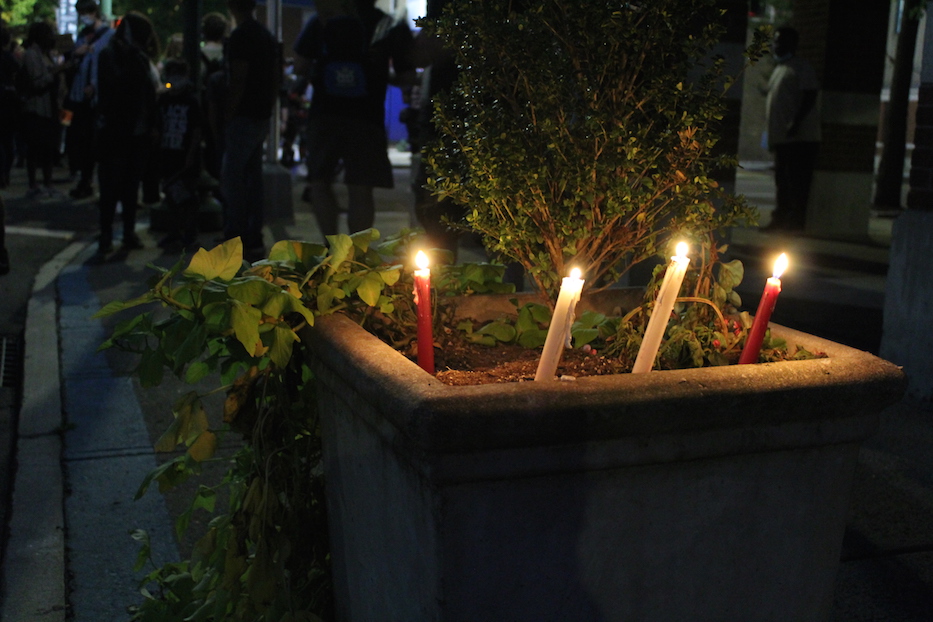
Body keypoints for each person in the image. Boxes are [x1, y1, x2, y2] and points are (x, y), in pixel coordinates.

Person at [293, 0, 416, 239]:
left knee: (319, 181)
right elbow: (407, 74)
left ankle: (331, 247)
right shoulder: (387, 24)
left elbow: (299, 65)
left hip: (324, 113)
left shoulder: (322, 20)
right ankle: (357, 255)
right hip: (366, 117)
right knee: (361, 189)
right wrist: (378, 74)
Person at [93, 11, 160, 260]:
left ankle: (127, 232)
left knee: (131, 186)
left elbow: (149, 94)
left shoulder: (135, 57)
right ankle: (107, 234)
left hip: (135, 131)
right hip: (117, 131)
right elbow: (116, 91)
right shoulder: (111, 56)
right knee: (111, 187)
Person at [220, 0, 279, 261]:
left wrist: (228, 112)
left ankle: (235, 232)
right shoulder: (264, 35)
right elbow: (276, 76)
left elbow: (239, 77)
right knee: (253, 177)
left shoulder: (240, 36)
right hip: (260, 113)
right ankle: (253, 233)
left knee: (232, 176)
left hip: (243, 114)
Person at [764, 26, 820, 232]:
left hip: (799, 139)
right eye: (775, 41)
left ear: (792, 44)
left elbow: (810, 94)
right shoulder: (780, 68)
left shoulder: (801, 67)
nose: (775, 45)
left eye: (780, 41)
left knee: (795, 182)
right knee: (782, 181)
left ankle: (794, 223)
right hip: (782, 138)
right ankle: (780, 219)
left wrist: (795, 123)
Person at [66, 0, 113, 199]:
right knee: (79, 139)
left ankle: (88, 181)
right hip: (78, 95)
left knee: (91, 141)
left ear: (93, 12)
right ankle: (83, 178)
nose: (82, 17)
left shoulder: (108, 36)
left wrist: (95, 84)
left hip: (94, 98)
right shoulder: (82, 36)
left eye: (84, 13)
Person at [156, 59, 202, 251]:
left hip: (184, 156)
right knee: (172, 197)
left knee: (187, 197)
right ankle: (175, 233)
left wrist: (191, 154)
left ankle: (189, 234)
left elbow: (196, 130)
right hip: (168, 153)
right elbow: (158, 126)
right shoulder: (164, 100)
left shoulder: (191, 101)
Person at [19, 21, 65, 200]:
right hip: (36, 108)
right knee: (35, 147)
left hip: (49, 108)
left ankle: (47, 182)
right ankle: (34, 184)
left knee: (48, 147)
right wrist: (54, 72)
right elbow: (37, 81)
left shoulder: (46, 55)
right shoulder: (31, 55)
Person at [0, 24, 20, 189]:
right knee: (8, 142)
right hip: (9, 104)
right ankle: (5, 174)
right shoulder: (9, 58)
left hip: (6, 103)